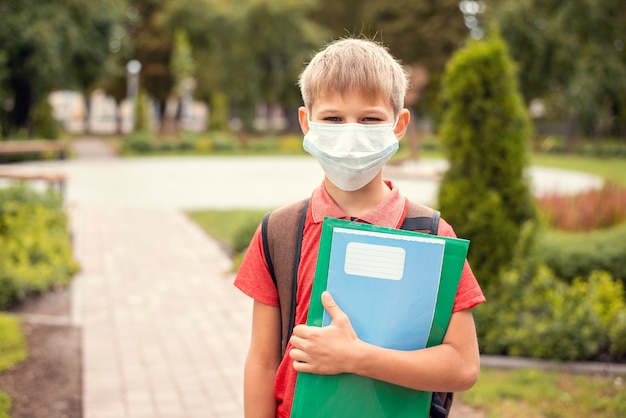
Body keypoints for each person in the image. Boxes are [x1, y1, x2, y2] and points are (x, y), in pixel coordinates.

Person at [234, 37, 486, 418]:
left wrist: (355, 357)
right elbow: (263, 361)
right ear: (307, 123)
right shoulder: (279, 232)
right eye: (333, 119)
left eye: (370, 119)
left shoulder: (430, 235)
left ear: (399, 125)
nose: (351, 133)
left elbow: (463, 366)